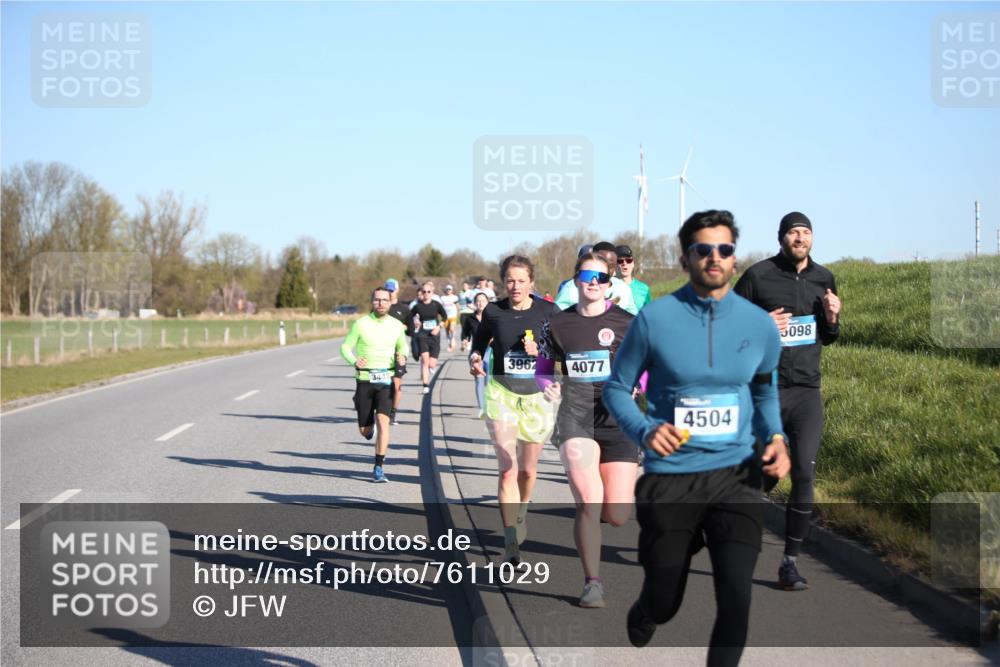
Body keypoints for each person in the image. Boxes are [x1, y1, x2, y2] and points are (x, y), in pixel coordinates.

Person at [603, 209, 790, 665]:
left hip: (736, 476)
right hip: (673, 476)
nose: (714, 257)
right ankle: (650, 606)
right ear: (685, 258)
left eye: (724, 249)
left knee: (736, 594)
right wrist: (645, 429)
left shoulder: (759, 325)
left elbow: (764, 392)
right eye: (703, 249)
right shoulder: (654, 319)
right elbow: (615, 388)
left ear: (734, 257)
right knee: (666, 599)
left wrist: (777, 437)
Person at [733, 211, 841, 591]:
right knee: (766, 474)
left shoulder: (824, 278)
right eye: (794, 232)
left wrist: (832, 319)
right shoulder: (758, 276)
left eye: (806, 232)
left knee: (804, 473)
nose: (800, 237)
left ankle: (789, 563)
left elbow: (828, 336)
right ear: (781, 237)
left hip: (807, 392)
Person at [535, 251, 640, 608]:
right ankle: (592, 582)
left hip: (617, 419)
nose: (593, 282)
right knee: (589, 499)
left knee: (618, 514)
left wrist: (640, 382)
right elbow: (543, 367)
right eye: (587, 275)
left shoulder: (628, 322)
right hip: (575, 416)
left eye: (601, 277)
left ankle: (600, 525)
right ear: (576, 279)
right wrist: (546, 383)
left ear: (610, 282)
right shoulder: (558, 323)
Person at [470, 255, 558, 564]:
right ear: (502, 282)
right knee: (507, 467)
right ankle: (509, 540)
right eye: (510, 280)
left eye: (521, 280)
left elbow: (561, 354)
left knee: (527, 470)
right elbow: (479, 342)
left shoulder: (548, 311)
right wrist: (475, 358)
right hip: (502, 393)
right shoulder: (494, 311)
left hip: (536, 397)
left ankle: (522, 511)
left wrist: (542, 351)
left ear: (532, 282)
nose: (515, 286)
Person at [339, 286, 409, 483]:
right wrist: (354, 361)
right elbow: (345, 347)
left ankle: (379, 466)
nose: (381, 303)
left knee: (384, 422)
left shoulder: (396, 325)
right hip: (365, 380)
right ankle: (368, 430)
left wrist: (402, 356)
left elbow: (403, 346)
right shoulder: (361, 324)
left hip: (386, 381)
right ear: (372, 302)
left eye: (385, 300)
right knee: (365, 431)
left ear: (390, 302)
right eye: (377, 300)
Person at [554, 241, 638, 315]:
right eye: (603, 262)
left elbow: (634, 319)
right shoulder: (571, 288)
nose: (607, 268)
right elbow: (556, 318)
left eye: (611, 265)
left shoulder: (623, 289)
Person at [410, 281, 448, 395]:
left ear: (432, 293)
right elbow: (409, 317)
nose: (426, 293)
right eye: (424, 291)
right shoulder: (417, 306)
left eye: (428, 291)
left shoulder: (436, 304)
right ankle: (425, 385)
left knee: (432, 364)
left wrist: (439, 326)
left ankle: (432, 368)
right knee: (425, 361)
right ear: (421, 293)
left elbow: (445, 317)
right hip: (422, 335)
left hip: (434, 335)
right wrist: (415, 321)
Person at [462, 291, 492, 418]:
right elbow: (465, 333)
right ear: (474, 303)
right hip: (476, 353)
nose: (480, 303)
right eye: (478, 301)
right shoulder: (470, 319)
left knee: (489, 382)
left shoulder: (493, 318)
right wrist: (464, 340)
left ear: (487, 303)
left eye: (483, 301)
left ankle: (490, 406)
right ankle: (482, 409)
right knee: (479, 382)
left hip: (491, 353)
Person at [384, 278, 410, 425]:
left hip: (398, 352)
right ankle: (382, 409)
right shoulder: (379, 308)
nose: (389, 292)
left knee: (396, 385)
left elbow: (411, 329)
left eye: (391, 290)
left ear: (397, 290)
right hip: (381, 352)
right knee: (382, 384)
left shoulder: (404, 309)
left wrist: (404, 328)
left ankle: (392, 413)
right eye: (387, 290)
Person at [616, 244, 651, 310]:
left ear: (633, 264)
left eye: (628, 261)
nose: (624, 263)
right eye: (620, 261)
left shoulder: (644, 289)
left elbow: (649, 314)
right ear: (615, 265)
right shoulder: (607, 288)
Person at [441, 284, 461, 352]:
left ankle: (452, 339)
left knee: (452, 329)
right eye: (447, 289)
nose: (448, 291)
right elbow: (440, 307)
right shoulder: (443, 298)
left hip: (453, 315)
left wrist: (458, 311)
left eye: (450, 289)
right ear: (445, 290)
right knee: (447, 331)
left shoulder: (454, 297)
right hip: (445, 317)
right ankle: (449, 343)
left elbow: (457, 305)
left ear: (452, 290)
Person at [458, 280, 476, 351]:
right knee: (463, 328)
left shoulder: (471, 292)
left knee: (470, 329)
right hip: (463, 312)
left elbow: (470, 300)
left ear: (468, 286)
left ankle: (468, 343)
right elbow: (459, 301)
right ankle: (463, 342)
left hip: (470, 312)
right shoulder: (460, 292)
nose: (464, 287)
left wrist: (467, 301)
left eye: (466, 285)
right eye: (463, 285)